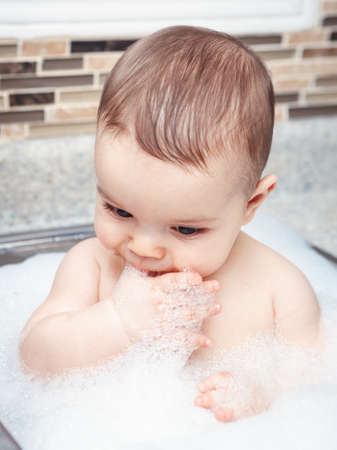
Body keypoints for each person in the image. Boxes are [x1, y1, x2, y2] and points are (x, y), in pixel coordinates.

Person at [19, 25, 321, 423]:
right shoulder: (90, 267)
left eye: (186, 229)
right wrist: (116, 322)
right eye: (119, 211)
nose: (144, 248)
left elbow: (314, 376)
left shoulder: (280, 289)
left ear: (252, 203)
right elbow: (32, 356)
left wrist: (261, 387)